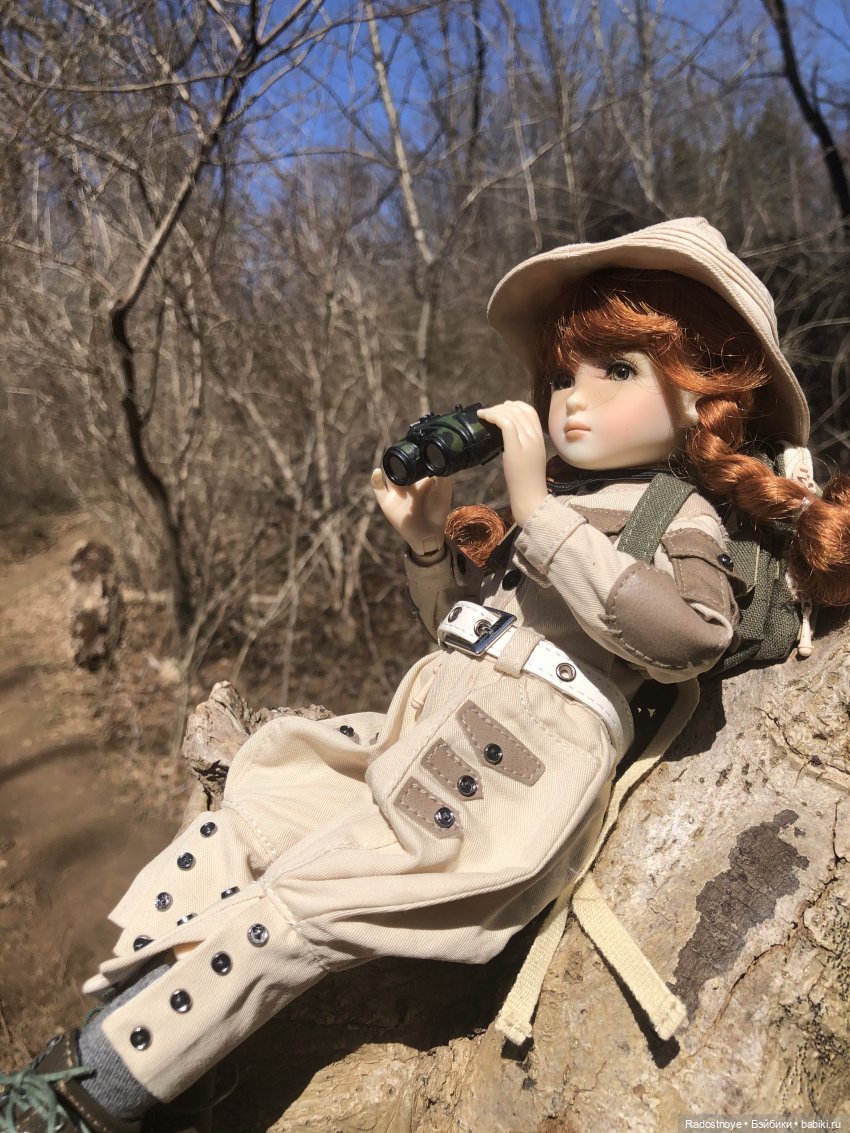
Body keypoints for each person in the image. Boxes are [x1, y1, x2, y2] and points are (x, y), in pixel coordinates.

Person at [3, 217, 849, 1133]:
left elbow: (688, 636)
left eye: (617, 370)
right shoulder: (561, 501)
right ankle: (101, 1041)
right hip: (429, 725)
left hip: (514, 764)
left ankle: (83, 1099)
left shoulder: (678, 511)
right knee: (251, 810)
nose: (574, 399)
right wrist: (423, 544)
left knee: (302, 909)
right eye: (564, 374)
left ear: (706, 395)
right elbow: (465, 632)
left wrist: (536, 511)